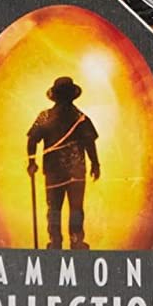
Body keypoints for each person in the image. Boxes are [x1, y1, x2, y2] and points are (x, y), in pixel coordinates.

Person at [27, 76, 100, 249]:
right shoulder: (81, 118)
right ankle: (74, 241)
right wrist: (95, 164)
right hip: (74, 171)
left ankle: (57, 241)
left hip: (56, 171)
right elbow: (90, 143)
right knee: (74, 208)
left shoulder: (46, 117)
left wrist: (32, 161)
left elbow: (32, 140)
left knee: (55, 208)